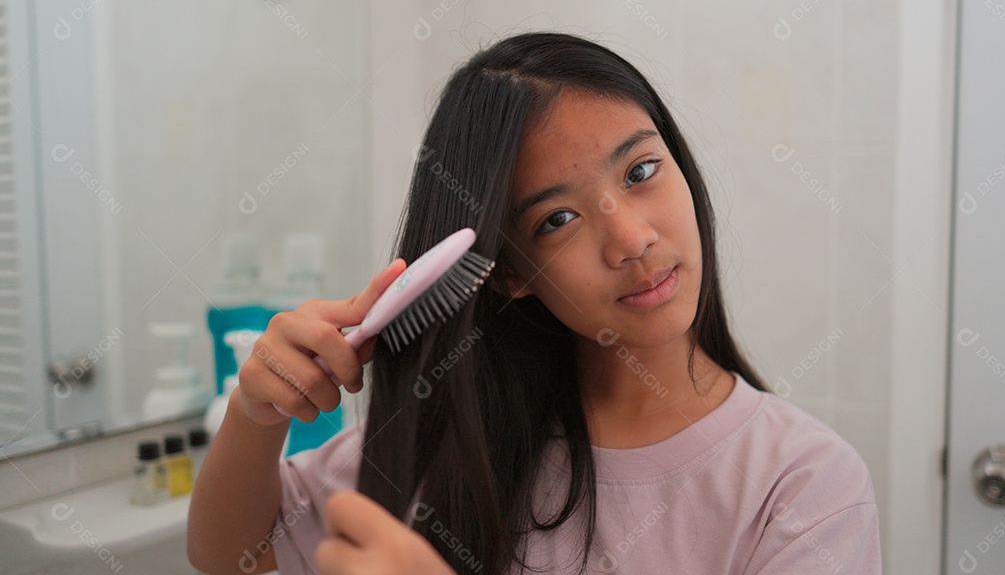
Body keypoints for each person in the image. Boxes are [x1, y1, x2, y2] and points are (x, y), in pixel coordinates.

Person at [188, 31, 881, 575]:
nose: (633, 239)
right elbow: (230, 554)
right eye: (557, 219)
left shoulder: (803, 485)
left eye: (642, 171)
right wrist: (257, 415)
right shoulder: (456, 444)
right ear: (506, 272)